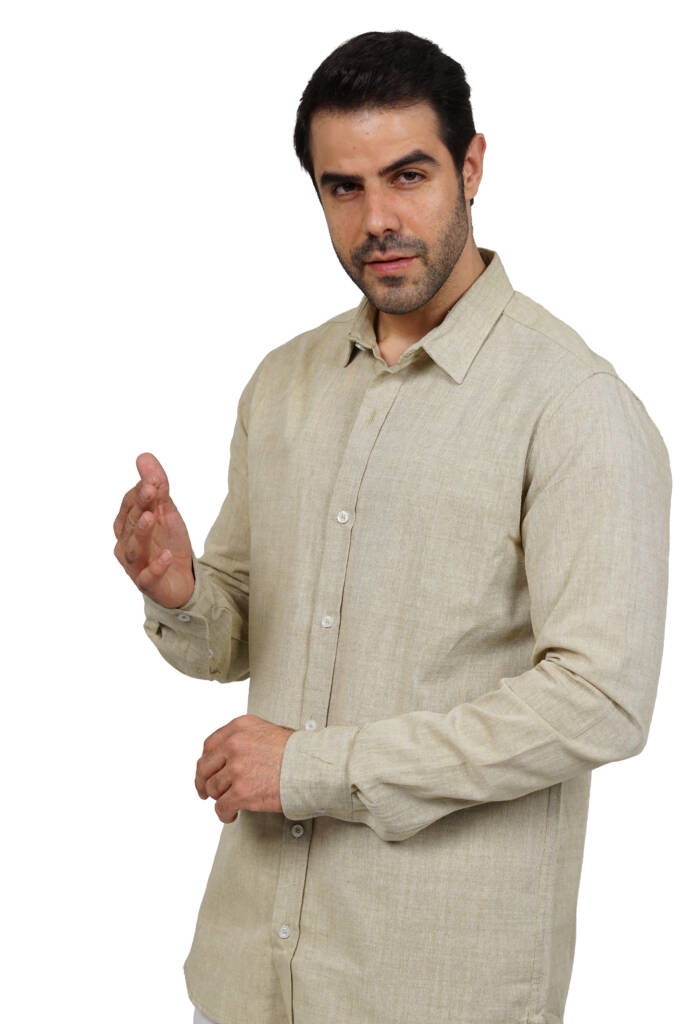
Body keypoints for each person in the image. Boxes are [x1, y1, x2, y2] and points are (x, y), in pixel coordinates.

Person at [113, 29, 672, 1024]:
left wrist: (310, 768)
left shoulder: (571, 406)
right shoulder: (283, 382)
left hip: (432, 991)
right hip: (246, 982)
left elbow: (599, 701)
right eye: (343, 187)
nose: (377, 219)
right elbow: (237, 635)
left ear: (471, 166)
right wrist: (184, 591)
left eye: (407, 176)